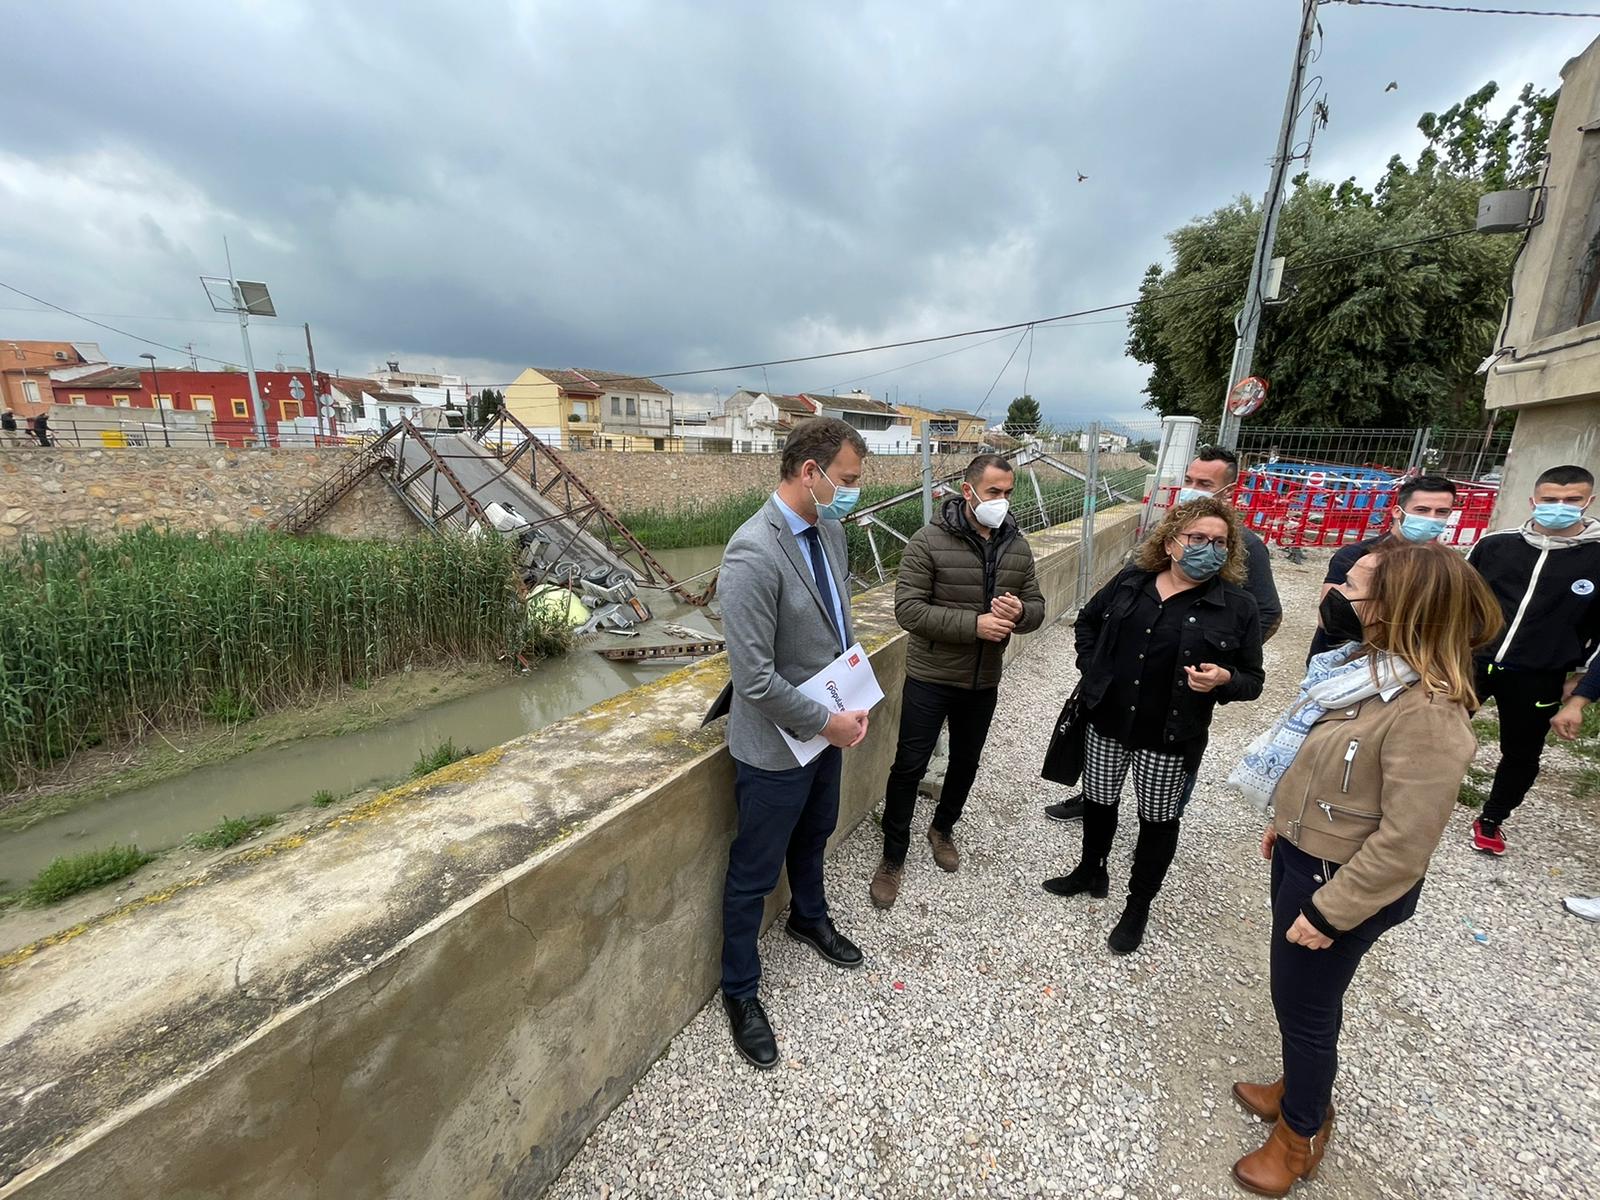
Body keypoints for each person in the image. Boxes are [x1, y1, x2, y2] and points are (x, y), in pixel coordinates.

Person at [1228, 543, 1501, 1197]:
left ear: (1397, 608)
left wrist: (1330, 912)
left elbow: (1406, 843)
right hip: (1306, 857)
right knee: (1299, 1000)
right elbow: (1327, 769)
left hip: (1338, 886)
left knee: (1307, 1009)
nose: (1334, 591)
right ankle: (1299, 1087)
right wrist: (1286, 823)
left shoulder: (1428, 714)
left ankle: (1299, 1136)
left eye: (1350, 584)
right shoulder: (1367, 673)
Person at [1041, 496, 1264, 954]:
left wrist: (1223, 679)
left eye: (1219, 542)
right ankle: (1090, 868)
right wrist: (1093, 668)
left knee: (1157, 820)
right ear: (1171, 541)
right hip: (1107, 722)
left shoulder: (1238, 607)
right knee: (1100, 802)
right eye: (1198, 538)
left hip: (1168, 736)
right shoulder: (1132, 582)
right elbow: (1086, 622)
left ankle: (1137, 905)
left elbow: (1253, 680)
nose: (1209, 548)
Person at [717, 417, 871, 1069]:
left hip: (827, 727)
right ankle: (741, 991)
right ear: (809, 473)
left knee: (815, 834)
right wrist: (825, 722)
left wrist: (849, 698)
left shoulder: (829, 531)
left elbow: (836, 622)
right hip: (776, 748)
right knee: (752, 873)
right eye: (848, 479)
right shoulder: (752, 551)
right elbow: (752, 677)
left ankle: (809, 917)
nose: (853, 492)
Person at [1044, 445, 1280, 823]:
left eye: (1204, 483)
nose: (1191, 489)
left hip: (1181, 693)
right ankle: (1094, 800)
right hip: (1123, 690)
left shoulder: (1247, 546)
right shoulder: (1167, 532)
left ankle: (1166, 813)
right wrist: (1094, 664)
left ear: (1228, 492)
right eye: (1188, 480)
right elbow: (1104, 607)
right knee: (1108, 750)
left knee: (1165, 793)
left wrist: (1217, 657)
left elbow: (1266, 612)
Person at [868, 453, 1046, 909]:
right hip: (931, 676)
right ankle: (893, 855)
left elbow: (1037, 606)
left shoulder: (1017, 546)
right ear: (968, 492)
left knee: (966, 762)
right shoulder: (927, 542)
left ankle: (942, 828)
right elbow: (908, 610)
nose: (1002, 502)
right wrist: (975, 625)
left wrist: (1020, 614)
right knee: (909, 765)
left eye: (1008, 493)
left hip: (983, 679)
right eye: (993, 492)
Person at [1465, 464, 1600, 856]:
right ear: (1533, 501)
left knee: (1521, 752)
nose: (1559, 507)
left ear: (1588, 501)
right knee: (1433, 734)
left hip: (1540, 675)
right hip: (1474, 663)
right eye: (1550, 500)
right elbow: (1461, 602)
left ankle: (1492, 818)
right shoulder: (1495, 545)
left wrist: (1580, 695)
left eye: (1571, 500)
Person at [1304, 474, 1459, 663]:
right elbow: (1328, 618)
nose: (1431, 518)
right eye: (1422, 510)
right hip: (1345, 662)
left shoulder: (1445, 566)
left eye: (1441, 512)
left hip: (1409, 665)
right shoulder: (1357, 556)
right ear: (1397, 511)